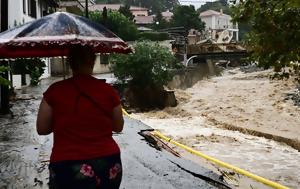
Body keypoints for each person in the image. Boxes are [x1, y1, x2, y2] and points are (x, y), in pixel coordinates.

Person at [36, 45, 124, 189]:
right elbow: (118, 127)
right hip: (107, 162)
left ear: (69, 62)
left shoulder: (54, 91)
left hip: (66, 164)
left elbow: (42, 129)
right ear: (92, 61)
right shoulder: (108, 91)